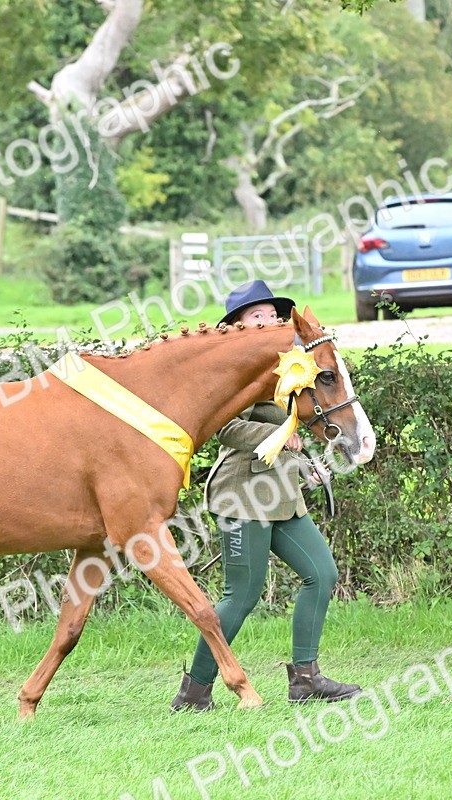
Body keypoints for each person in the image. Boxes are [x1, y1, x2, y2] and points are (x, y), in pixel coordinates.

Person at [170, 280, 361, 711]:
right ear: (238, 324)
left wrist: (305, 462)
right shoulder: (236, 368)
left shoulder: (288, 366)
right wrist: (279, 434)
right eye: (256, 314)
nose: (269, 319)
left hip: (282, 493)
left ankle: (306, 679)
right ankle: (194, 693)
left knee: (322, 573)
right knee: (242, 593)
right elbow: (225, 428)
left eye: (273, 313)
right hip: (242, 493)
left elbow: (300, 423)